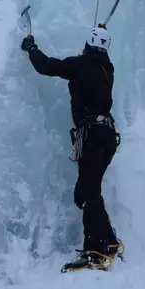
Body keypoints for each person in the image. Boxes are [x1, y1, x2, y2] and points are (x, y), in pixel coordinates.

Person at [21, 26, 123, 272]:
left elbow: (46, 66)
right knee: (85, 192)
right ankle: (109, 242)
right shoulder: (106, 68)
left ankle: (95, 251)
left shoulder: (80, 64)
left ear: (88, 44)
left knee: (89, 190)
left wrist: (31, 48)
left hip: (92, 135)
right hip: (107, 136)